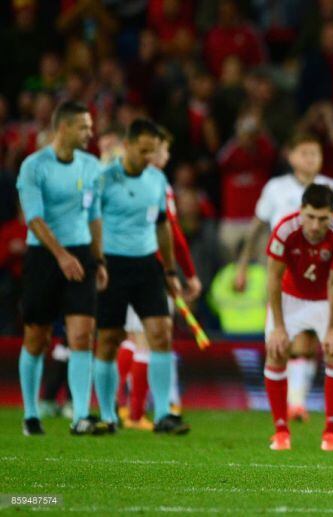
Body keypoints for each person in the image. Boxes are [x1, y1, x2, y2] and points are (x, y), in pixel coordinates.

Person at [234, 132, 333, 422]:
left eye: (316, 154)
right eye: (305, 153)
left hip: (322, 275)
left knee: (310, 340)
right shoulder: (275, 188)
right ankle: (291, 401)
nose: (311, 159)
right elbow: (257, 228)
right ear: (291, 155)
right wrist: (243, 265)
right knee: (284, 340)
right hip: (284, 274)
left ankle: (296, 401)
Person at [16, 100, 108, 436]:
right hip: (43, 256)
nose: (90, 133)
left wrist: (97, 259)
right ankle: (30, 414)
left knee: (82, 336)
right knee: (36, 338)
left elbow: (94, 216)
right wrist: (60, 255)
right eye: (84, 127)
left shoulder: (91, 166)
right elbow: (34, 218)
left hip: (80, 253)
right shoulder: (34, 166)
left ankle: (81, 415)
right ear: (64, 127)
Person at [94, 118, 189, 434]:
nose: (150, 157)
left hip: (147, 265)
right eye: (144, 150)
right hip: (112, 264)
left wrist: (170, 270)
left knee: (160, 334)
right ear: (129, 145)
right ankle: (108, 414)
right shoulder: (104, 179)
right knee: (108, 339)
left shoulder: (157, 180)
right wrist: (95, 262)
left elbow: (163, 225)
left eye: (154, 151)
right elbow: (90, 222)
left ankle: (162, 414)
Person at [116, 127, 202, 430]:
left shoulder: (116, 175)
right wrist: (186, 272)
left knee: (126, 338)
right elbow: (172, 232)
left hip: (116, 265)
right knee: (146, 342)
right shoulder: (157, 183)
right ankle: (136, 413)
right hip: (149, 267)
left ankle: (119, 407)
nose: (163, 157)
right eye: (161, 150)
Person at [263, 184, 333, 451]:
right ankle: (281, 432)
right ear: (301, 210)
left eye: (323, 219)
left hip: (326, 299)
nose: (315, 225)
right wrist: (279, 327)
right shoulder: (284, 230)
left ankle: (330, 433)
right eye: (310, 216)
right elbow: (274, 278)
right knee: (276, 352)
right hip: (290, 297)